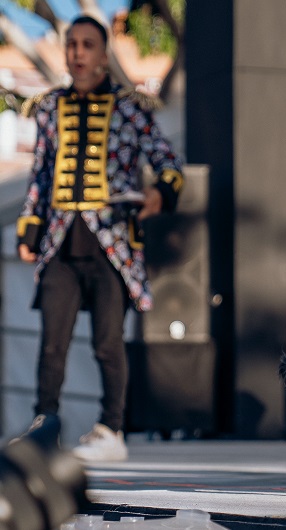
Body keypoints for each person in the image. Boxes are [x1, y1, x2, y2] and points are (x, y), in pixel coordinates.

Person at [13, 16, 184, 462]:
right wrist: (29, 226)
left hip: (113, 244)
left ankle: (112, 429)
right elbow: (41, 175)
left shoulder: (130, 107)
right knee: (53, 342)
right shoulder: (49, 108)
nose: (78, 52)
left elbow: (169, 162)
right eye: (72, 44)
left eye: (87, 44)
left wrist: (159, 193)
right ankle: (43, 426)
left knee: (108, 342)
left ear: (103, 54)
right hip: (60, 243)